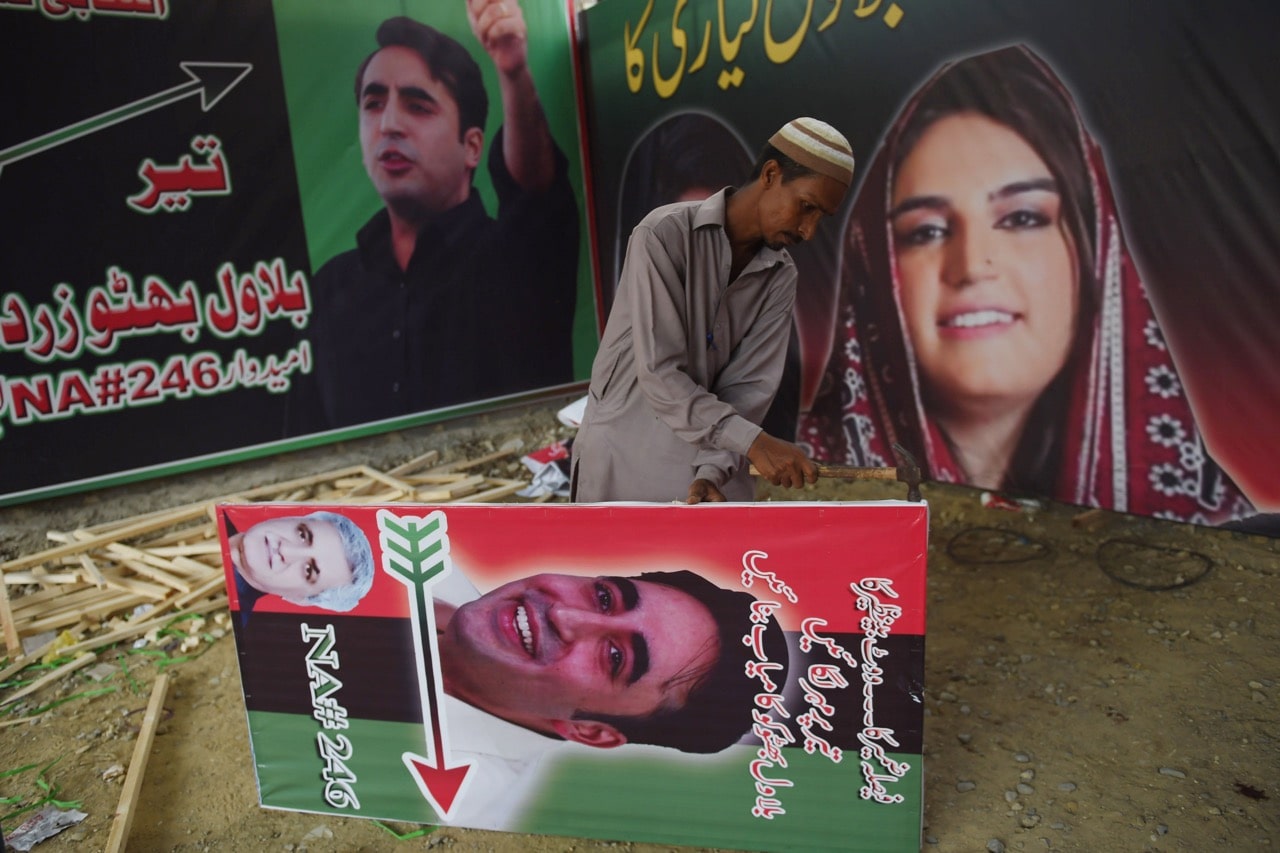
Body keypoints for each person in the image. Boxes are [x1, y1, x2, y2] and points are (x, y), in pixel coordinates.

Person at [799, 46, 1253, 525]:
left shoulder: (1211, 535)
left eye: (1021, 218)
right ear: (878, 272)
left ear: (1091, 253)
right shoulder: (787, 495)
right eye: (927, 231)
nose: (972, 266)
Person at [286, 4, 579, 434]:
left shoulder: (520, 257)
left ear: (472, 147)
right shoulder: (330, 290)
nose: (388, 124)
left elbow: (535, 188)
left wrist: (514, 75)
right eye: (373, 103)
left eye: (418, 106)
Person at [571, 117, 854, 504]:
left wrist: (712, 471)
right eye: (806, 207)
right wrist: (752, 442)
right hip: (623, 462)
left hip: (706, 476)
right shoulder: (663, 234)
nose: (809, 231)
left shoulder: (780, 274)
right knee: (619, 564)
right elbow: (661, 372)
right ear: (771, 174)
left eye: (821, 216)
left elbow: (748, 389)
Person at [225, 511, 376, 624]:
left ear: (298, 599)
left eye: (308, 570)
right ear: (290, 518)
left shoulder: (234, 621)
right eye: (302, 535)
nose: (284, 550)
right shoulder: (218, 512)